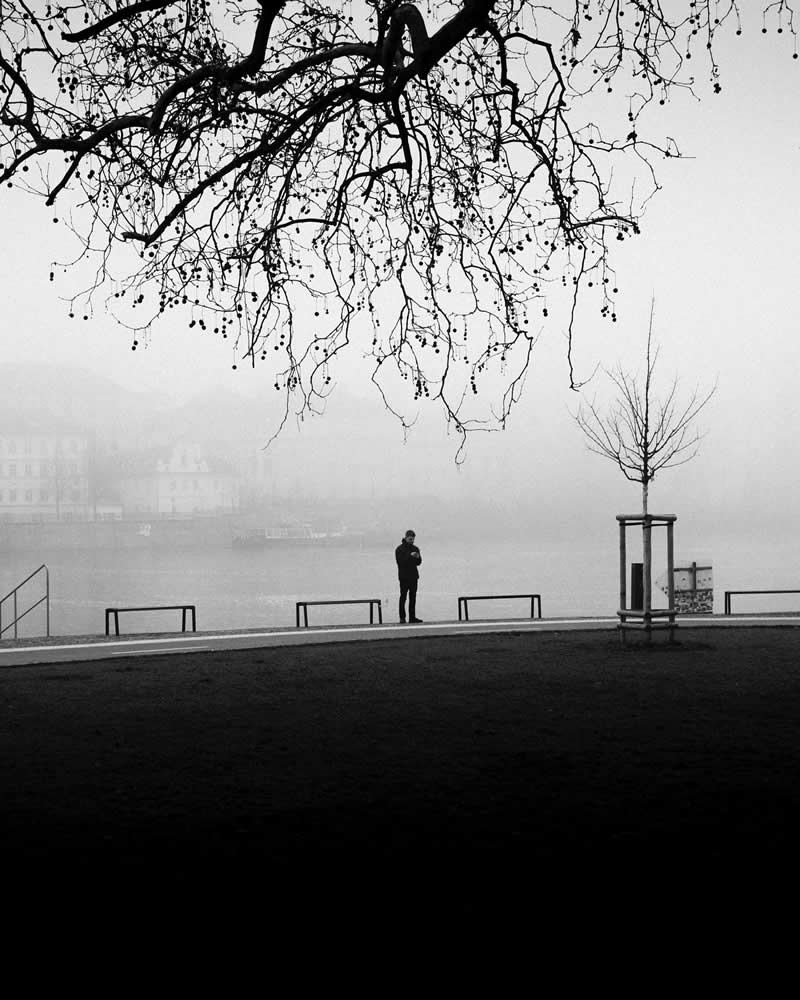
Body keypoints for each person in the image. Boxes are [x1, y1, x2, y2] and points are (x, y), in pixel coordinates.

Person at [395, 529, 423, 623]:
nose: (412, 541)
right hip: (403, 577)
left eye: (413, 539)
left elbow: (419, 563)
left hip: (414, 576)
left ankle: (412, 617)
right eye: (410, 539)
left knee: (413, 597)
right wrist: (410, 556)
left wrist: (418, 557)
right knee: (403, 597)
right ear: (406, 537)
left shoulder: (415, 548)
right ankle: (402, 617)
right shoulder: (399, 549)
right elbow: (400, 562)